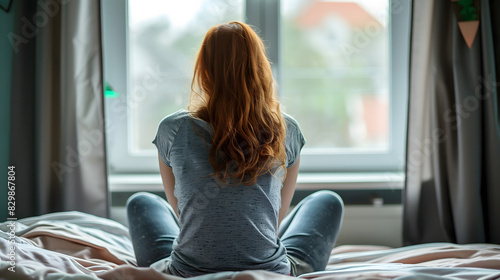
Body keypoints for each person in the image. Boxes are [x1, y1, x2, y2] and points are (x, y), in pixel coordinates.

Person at [126, 21, 344, 278]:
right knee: (327, 201)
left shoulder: (173, 129)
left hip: (185, 273)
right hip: (270, 271)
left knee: (141, 202)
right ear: (260, 71)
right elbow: (276, 218)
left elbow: (180, 210)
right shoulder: (287, 130)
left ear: (205, 73)